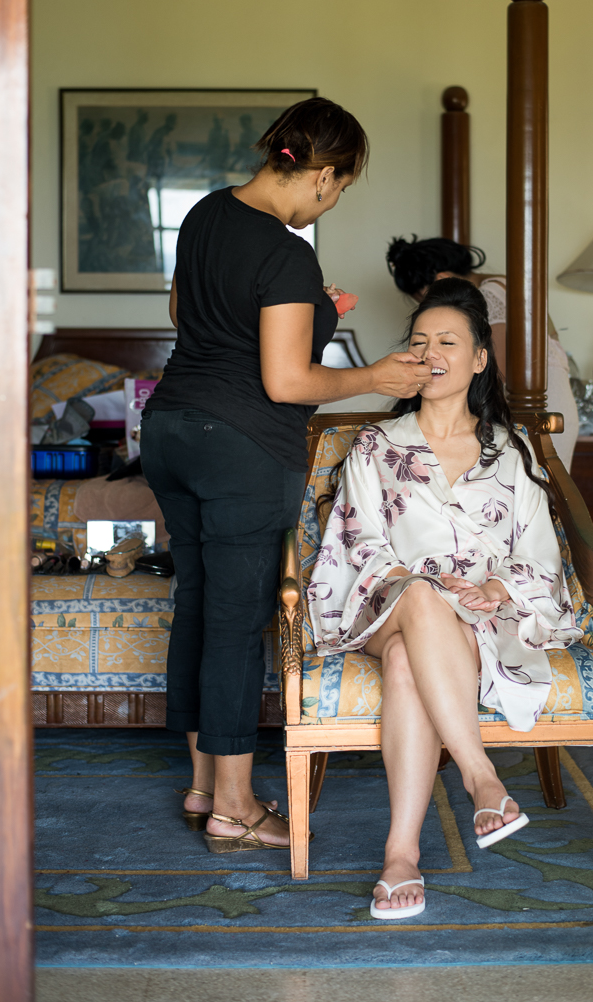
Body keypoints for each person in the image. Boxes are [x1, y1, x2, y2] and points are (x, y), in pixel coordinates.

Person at [139, 97, 432, 854]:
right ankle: (235, 808)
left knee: (198, 606)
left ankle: (204, 784)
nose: (330, 203)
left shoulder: (205, 213)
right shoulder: (287, 251)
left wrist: (303, 309)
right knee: (236, 625)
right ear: (324, 175)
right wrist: (374, 376)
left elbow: (183, 311)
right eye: (340, 190)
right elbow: (287, 382)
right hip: (240, 447)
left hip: (170, 429)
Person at [308, 277, 582, 918]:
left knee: (408, 661)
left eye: (448, 342)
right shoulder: (376, 446)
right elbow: (357, 541)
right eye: (419, 341)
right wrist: (425, 585)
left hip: (478, 616)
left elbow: (540, 554)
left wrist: (493, 588)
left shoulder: (509, 453)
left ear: (479, 359)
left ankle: (400, 854)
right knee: (421, 600)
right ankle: (480, 776)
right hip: (382, 604)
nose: (430, 352)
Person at [386, 236, 579, 469]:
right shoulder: (506, 283)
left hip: (544, 400)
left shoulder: (489, 295)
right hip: (556, 393)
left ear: (443, 280)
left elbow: (499, 368)